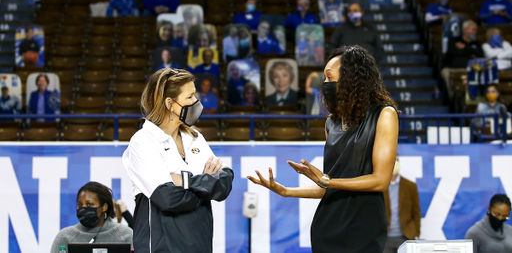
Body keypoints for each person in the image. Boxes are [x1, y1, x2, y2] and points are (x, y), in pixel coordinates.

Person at [248, 46, 399, 253]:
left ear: (351, 78)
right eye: (325, 78)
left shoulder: (384, 115)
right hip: (327, 226)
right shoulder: (331, 123)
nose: (325, 84)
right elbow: (329, 187)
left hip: (364, 226)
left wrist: (327, 181)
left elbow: (380, 180)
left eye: (330, 77)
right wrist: (286, 192)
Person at [122, 68, 234, 253]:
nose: (196, 103)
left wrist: (182, 180)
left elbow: (224, 183)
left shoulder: (195, 136)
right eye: (189, 97)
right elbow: (168, 199)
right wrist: (205, 185)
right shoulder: (143, 141)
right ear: (169, 103)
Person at [50, 181, 132, 252]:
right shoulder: (65, 237)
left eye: (89, 204)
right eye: (80, 205)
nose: (83, 208)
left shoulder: (126, 236)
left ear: (104, 207)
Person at [383, 155, 421, 253]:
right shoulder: (381, 186)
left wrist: (415, 232)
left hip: (405, 236)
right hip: (385, 237)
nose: (395, 163)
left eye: (397, 160)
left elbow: (416, 211)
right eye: (392, 160)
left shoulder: (410, 185)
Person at [441, 20, 483, 97]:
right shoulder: (454, 40)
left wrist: (465, 47)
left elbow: (481, 55)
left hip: (470, 69)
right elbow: (454, 53)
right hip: (453, 69)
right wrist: (471, 53)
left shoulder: (477, 43)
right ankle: (452, 97)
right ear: (465, 30)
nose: (475, 32)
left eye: (476, 30)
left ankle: (475, 97)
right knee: (445, 72)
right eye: (473, 30)